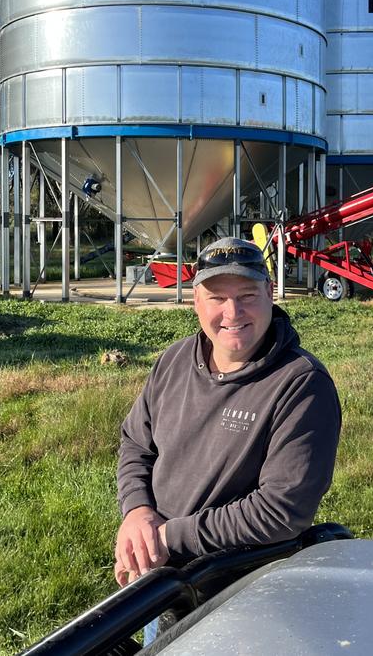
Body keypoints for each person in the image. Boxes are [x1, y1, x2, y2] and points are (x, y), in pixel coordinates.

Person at [114, 236, 341, 606]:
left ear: (270, 292)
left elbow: (281, 510)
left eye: (247, 295)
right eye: (217, 298)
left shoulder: (302, 385)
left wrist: (166, 537)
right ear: (196, 301)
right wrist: (138, 512)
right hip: (161, 577)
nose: (233, 312)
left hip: (241, 592)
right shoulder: (174, 361)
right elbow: (137, 444)